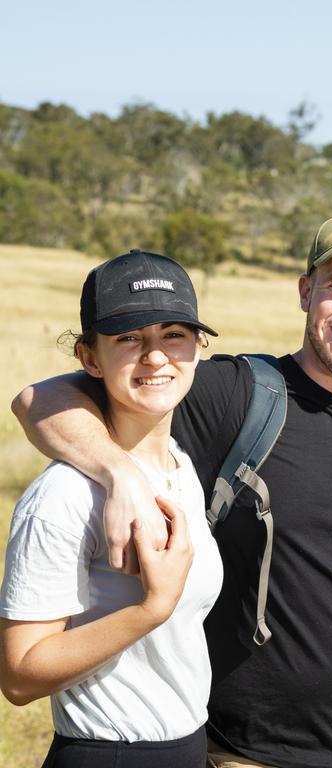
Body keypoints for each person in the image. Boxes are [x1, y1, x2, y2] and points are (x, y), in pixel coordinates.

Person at [11, 210, 332, 768]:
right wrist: (118, 472)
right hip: (249, 752)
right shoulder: (236, 396)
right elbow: (41, 400)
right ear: (305, 292)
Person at [0, 250, 223, 767]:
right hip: (109, 753)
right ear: (90, 357)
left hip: (187, 747)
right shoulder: (64, 495)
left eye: (173, 334)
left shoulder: (181, 465)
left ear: (197, 347)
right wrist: (151, 609)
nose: (156, 357)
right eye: (128, 337)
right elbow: (18, 675)